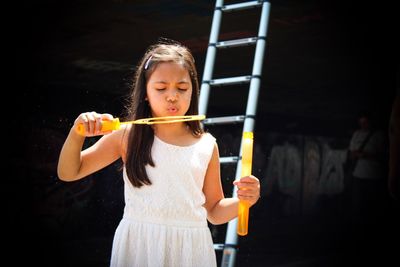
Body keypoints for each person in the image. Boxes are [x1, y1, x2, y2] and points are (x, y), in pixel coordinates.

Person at [57, 39, 261, 267]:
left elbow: (214, 211)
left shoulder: (206, 144)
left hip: (191, 250)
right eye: (161, 88)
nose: (172, 96)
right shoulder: (127, 135)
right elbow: (68, 172)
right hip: (139, 246)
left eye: (182, 88)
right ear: (145, 92)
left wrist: (244, 201)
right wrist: (77, 133)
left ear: (193, 91)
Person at [347, 110, 387, 225]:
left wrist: (366, 155)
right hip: (358, 176)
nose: (363, 125)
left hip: (374, 177)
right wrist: (355, 155)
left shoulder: (379, 135)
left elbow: (384, 156)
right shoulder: (356, 134)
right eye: (361, 123)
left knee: (372, 207)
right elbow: (351, 153)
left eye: (365, 122)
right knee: (357, 206)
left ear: (370, 122)